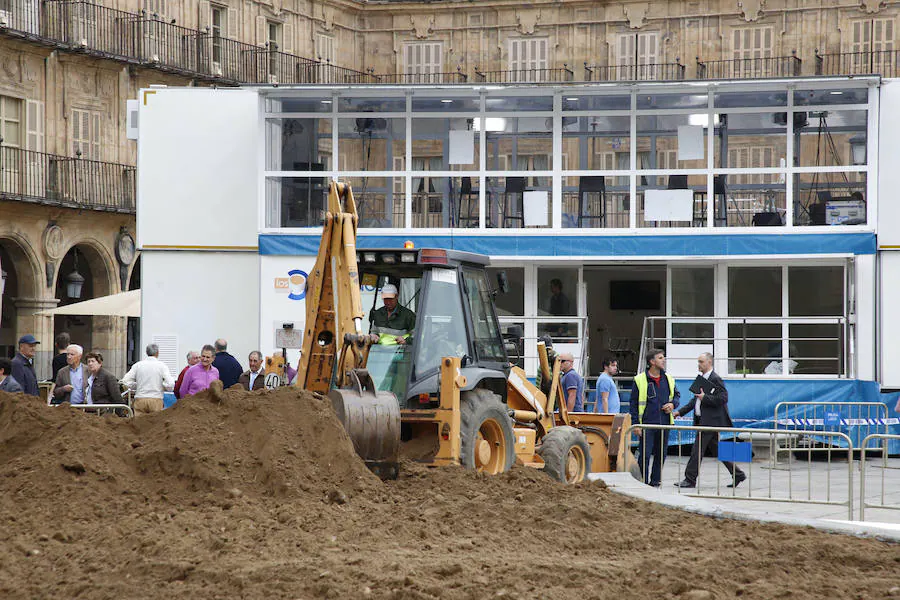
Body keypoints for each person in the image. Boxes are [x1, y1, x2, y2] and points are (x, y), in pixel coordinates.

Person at [674, 353, 746, 489]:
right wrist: (679, 412)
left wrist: (705, 397)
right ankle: (738, 474)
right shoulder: (702, 379)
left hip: (710, 422)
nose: (699, 364)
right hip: (703, 420)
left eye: (701, 362)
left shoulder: (715, 379)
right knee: (717, 449)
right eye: (698, 362)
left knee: (697, 450)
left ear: (709, 362)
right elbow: (694, 400)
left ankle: (690, 479)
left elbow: (723, 398)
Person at [629, 348, 680, 487]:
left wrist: (672, 404)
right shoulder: (639, 380)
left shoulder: (668, 379)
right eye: (660, 358)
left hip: (664, 423)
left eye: (663, 357)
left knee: (661, 454)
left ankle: (655, 481)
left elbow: (677, 396)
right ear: (652, 361)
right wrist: (636, 424)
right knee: (644, 454)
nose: (663, 360)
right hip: (646, 424)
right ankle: (642, 481)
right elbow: (633, 404)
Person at [121, 343, 175, 415]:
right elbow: (170, 384)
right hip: (156, 399)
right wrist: (162, 386)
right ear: (157, 353)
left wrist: (137, 386)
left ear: (146, 352)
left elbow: (125, 381)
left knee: (139, 424)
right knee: (155, 424)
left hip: (140, 398)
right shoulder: (162, 366)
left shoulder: (138, 365)